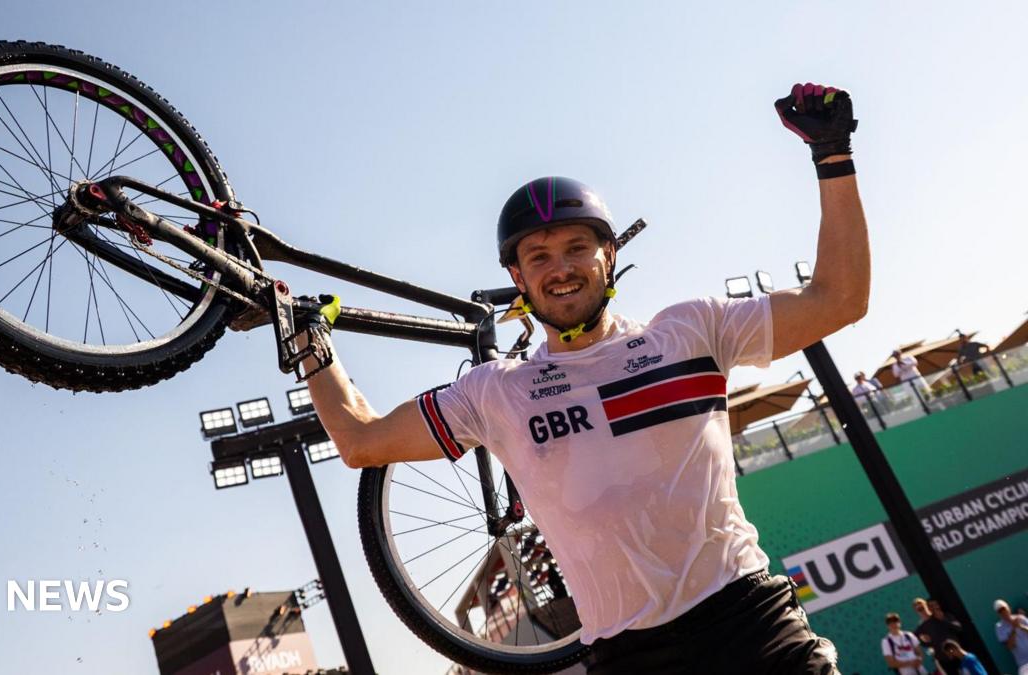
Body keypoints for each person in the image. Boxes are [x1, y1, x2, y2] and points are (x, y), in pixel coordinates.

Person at [302, 83, 866, 674]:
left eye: (577, 248)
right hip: (627, 657)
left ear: (609, 257)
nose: (561, 269)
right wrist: (311, 344)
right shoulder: (498, 391)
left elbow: (840, 300)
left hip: (750, 629)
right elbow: (360, 441)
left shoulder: (692, 332)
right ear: (518, 278)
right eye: (539, 257)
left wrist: (833, 157)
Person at [914, 598, 966, 675]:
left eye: (923, 607)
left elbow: (958, 628)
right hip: (944, 659)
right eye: (919, 609)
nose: (922, 610)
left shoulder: (942, 615)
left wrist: (943, 619)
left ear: (927, 606)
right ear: (916, 612)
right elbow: (925, 644)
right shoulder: (920, 628)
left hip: (958, 654)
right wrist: (925, 642)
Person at [995, 599, 1028, 674]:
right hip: (1024, 665)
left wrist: (1021, 626)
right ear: (998, 614)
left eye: (1005, 610)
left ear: (1008, 608)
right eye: (1000, 612)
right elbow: (1010, 646)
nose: (1004, 613)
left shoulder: (1021, 618)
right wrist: (1013, 629)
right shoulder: (999, 627)